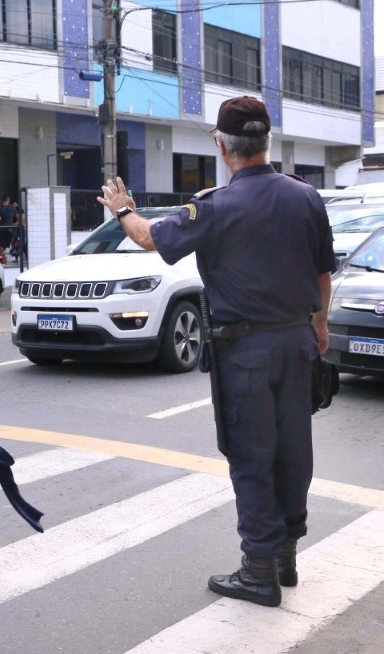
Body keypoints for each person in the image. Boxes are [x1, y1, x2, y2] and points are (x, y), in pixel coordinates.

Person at [97, 95, 334, 608]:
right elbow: (322, 272)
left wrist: (123, 209)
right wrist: (319, 327)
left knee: (252, 456)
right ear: (265, 142)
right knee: (293, 451)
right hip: (297, 344)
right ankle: (286, 558)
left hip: (246, 350)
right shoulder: (305, 197)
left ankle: (258, 571)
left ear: (224, 148)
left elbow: (148, 239)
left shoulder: (215, 206)